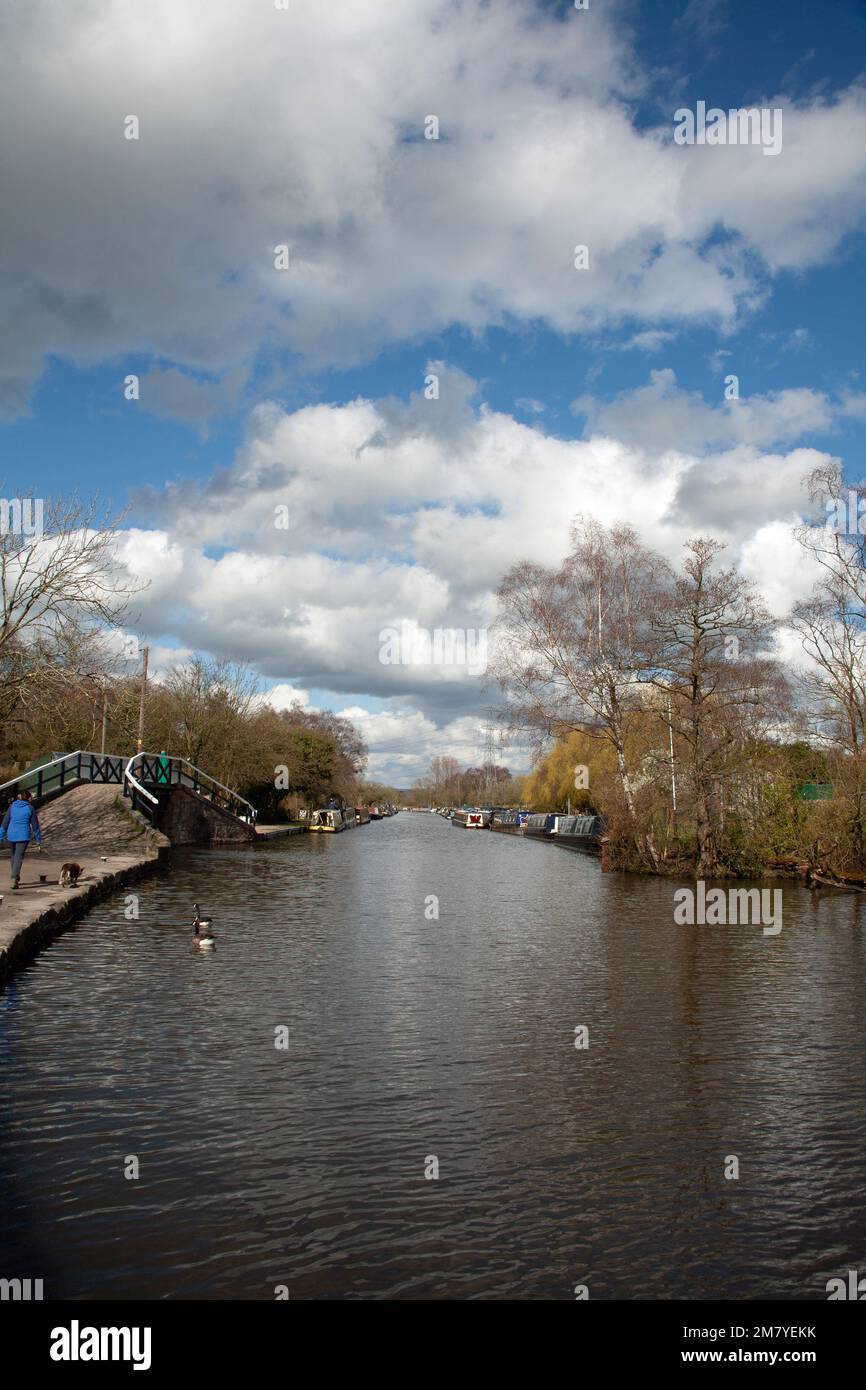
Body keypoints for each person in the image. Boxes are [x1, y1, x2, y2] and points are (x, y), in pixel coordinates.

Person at [0, 789, 43, 888]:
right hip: (23, 836)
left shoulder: (12, 806)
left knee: (13, 856)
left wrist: (1, 836)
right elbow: (35, 825)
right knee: (18, 857)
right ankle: (15, 877)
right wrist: (38, 840)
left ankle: (15, 876)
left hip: (11, 834)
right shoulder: (30, 808)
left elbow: (5, 822)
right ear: (28, 798)